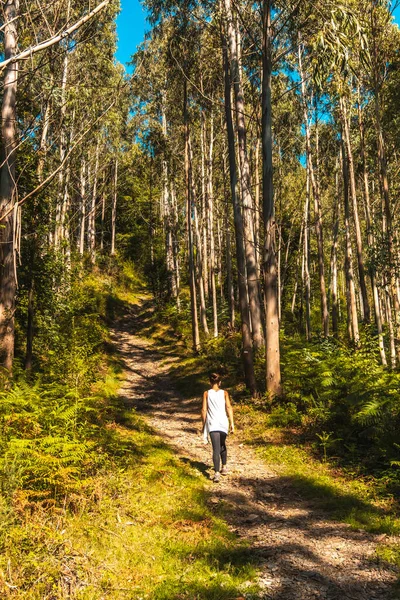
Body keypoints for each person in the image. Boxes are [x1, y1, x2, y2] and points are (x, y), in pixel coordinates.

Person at [201, 373, 234, 482]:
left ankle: (216, 473)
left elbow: (204, 410)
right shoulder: (225, 393)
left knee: (216, 448)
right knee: (222, 444)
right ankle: (224, 467)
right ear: (220, 382)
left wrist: (203, 425)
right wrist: (232, 423)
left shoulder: (206, 393)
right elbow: (229, 407)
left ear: (210, 382)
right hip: (223, 422)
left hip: (213, 423)